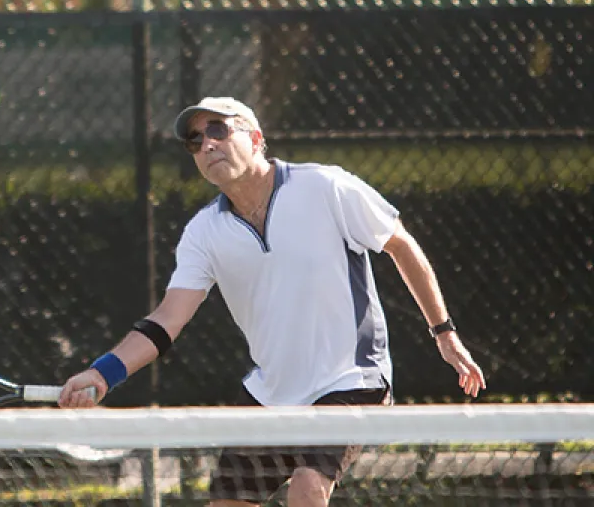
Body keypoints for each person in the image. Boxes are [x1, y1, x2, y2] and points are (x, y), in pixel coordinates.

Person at [57, 97, 487, 507]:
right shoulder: (203, 233)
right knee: (227, 501)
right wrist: (102, 373)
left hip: (352, 379)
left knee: (308, 487)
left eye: (218, 130)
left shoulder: (325, 186)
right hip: (273, 392)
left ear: (256, 139)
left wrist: (444, 333)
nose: (207, 145)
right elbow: (166, 320)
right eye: (195, 140)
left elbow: (401, 245)